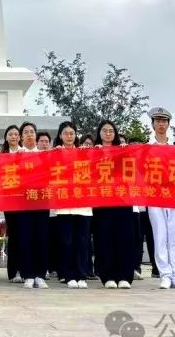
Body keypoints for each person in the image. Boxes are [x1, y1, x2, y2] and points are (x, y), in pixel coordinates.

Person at [147, 107, 175, 289]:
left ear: (168, 124)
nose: (161, 124)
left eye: (164, 121)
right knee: (159, 234)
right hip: (154, 193)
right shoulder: (147, 148)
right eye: (158, 121)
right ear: (153, 124)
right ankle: (165, 274)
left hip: (173, 194)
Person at [93, 120, 135, 289]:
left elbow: (131, 173)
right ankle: (108, 276)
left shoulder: (123, 151)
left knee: (124, 238)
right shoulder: (93, 151)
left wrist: (128, 153)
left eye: (111, 130)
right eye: (105, 130)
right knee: (104, 238)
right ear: (99, 133)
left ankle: (124, 276)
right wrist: (90, 153)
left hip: (122, 200)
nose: (108, 133)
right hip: (102, 201)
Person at [50, 121, 91, 288]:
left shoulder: (84, 153)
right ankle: (68, 276)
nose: (69, 136)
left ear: (76, 135)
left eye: (71, 133)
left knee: (82, 241)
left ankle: (81, 275)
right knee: (66, 241)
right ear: (60, 136)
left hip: (83, 205)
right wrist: (55, 154)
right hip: (64, 205)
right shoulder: (54, 154)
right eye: (65, 133)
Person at [16, 122, 49, 289]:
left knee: (41, 238)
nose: (29, 134)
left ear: (36, 135)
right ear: (21, 136)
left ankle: (40, 275)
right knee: (26, 238)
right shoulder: (16, 156)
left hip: (42, 201)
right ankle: (28, 274)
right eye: (26, 132)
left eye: (32, 132)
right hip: (23, 202)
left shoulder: (45, 155)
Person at [0, 125, 24, 283]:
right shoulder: (1, 155)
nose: (13, 136)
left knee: (24, 235)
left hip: (24, 200)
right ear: (6, 137)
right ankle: (13, 271)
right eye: (10, 134)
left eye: (16, 134)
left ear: (20, 137)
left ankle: (24, 269)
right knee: (14, 235)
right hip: (9, 201)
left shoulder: (25, 153)